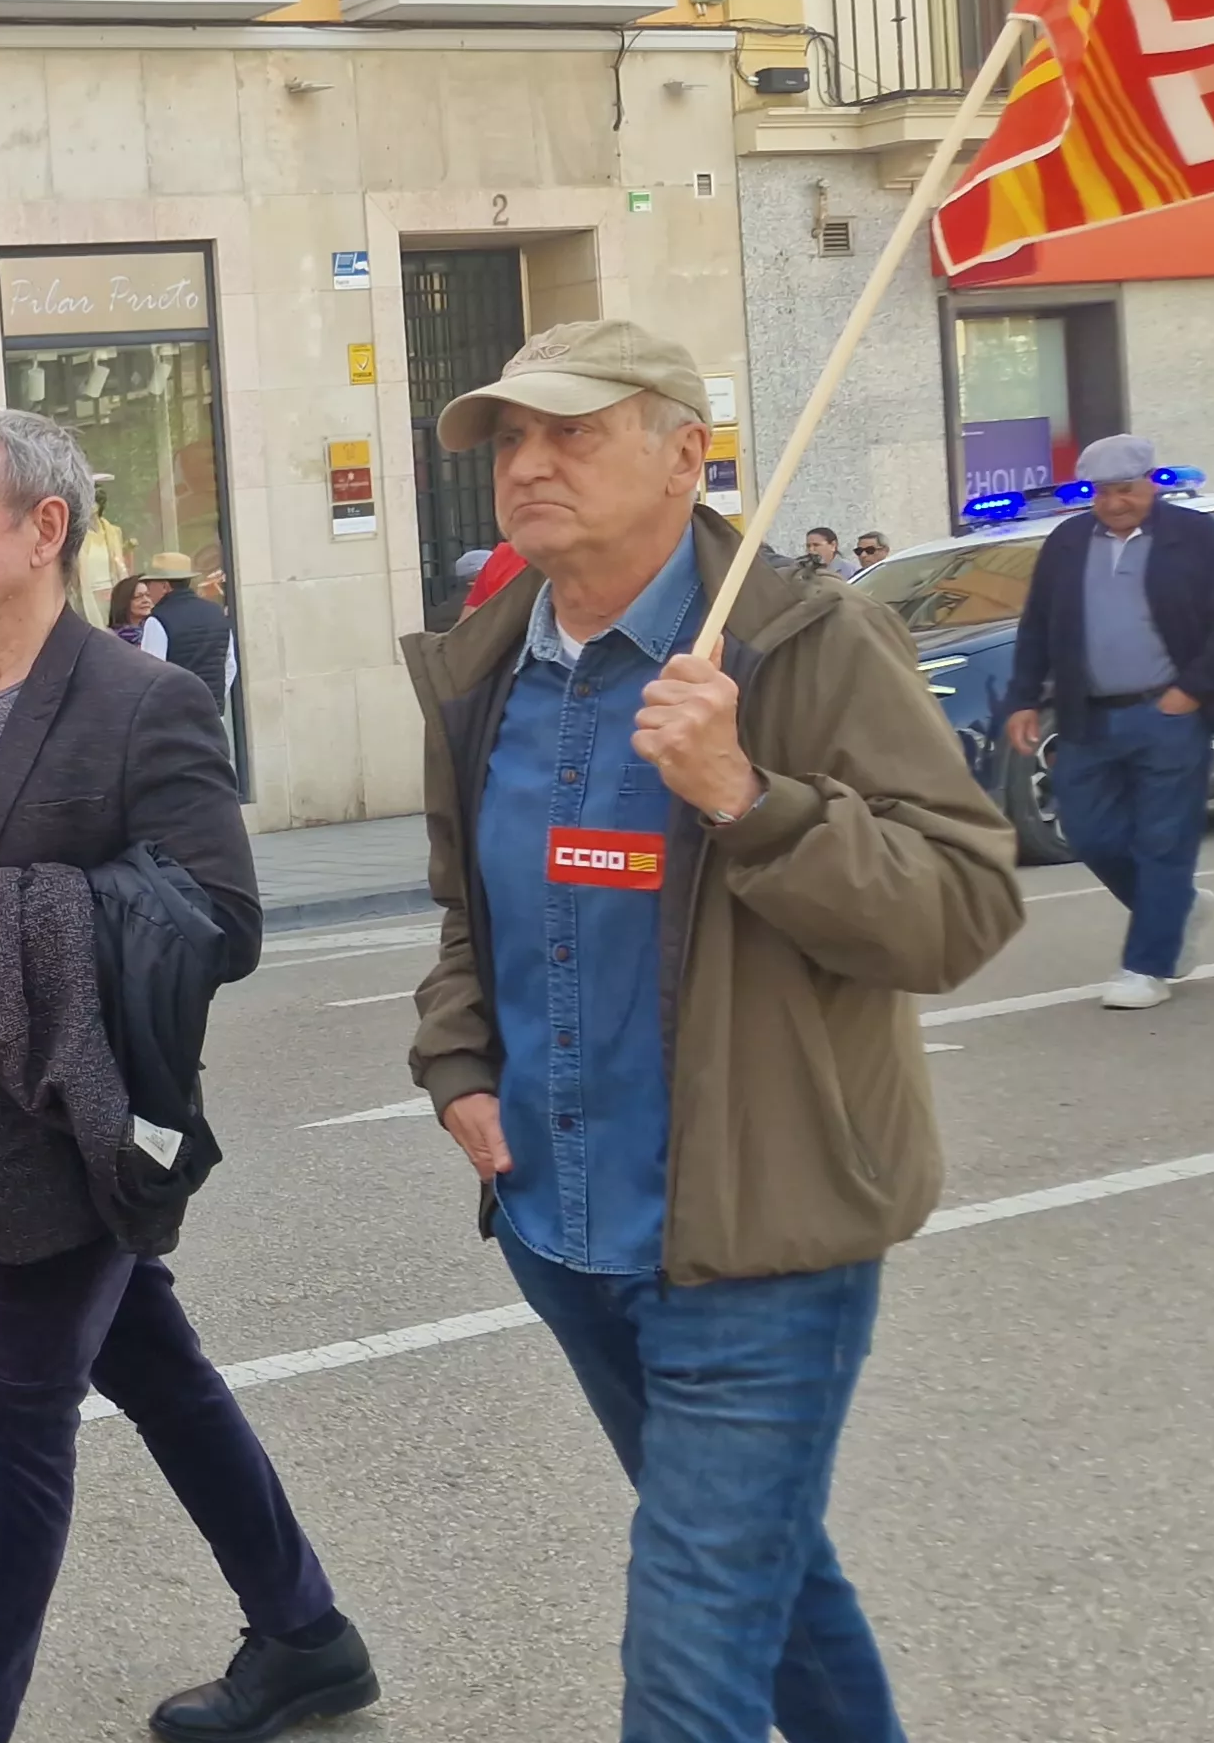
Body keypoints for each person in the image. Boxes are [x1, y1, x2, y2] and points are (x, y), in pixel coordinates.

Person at [408, 322, 1021, 1738]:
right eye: (511, 438)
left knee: (687, 1671)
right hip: (564, 1230)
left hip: (759, 1246)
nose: (528, 463)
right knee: (771, 1592)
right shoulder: (484, 669)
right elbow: (468, 917)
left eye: (572, 432)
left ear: (686, 454)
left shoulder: (807, 643)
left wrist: (745, 795)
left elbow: (962, 906)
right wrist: (456, 1062)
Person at [0, 412, 379, 1743]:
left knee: (13, 1401)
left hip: (80, 1106)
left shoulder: (138, 702)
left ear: (45, 529)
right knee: (153, 1365)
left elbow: (221, 918)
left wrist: (1, 923)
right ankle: (308, 1637)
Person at [1000, 435, 1214, 1011]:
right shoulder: (1068, 542)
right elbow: (1038, 625)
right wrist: (1022, 698)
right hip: (1088, 716)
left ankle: (1147, 966)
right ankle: (1177, 909)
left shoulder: (1195, 537)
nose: (1114, 504)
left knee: (1164, 842)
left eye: (1125, 490)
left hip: (1169, 714)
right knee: (1089, 832)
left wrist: (1193, 690)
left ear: (1150, 484)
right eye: (1102, 493)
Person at [130, 552, 235, 697]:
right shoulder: (216, 613)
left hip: (175, 708)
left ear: (164, 586)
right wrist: (215, 699)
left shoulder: (158, 620)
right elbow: (230, 665)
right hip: (213, 707)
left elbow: (152, 675)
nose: (148, 590)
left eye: (150, 584)